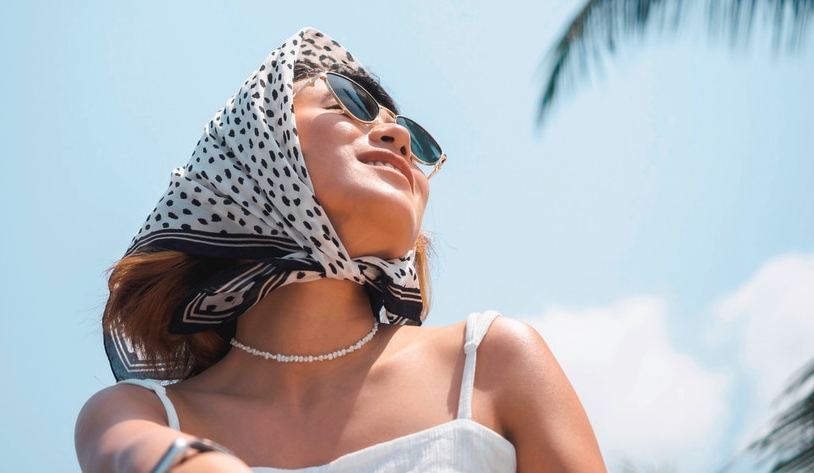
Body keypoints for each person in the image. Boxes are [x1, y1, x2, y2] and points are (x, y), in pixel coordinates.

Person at [75, 28, 607, 473]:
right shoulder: (144, 416)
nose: (397, 136)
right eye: (348, 105)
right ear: (259, 145)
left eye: (414, 141)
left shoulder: (491, 360)